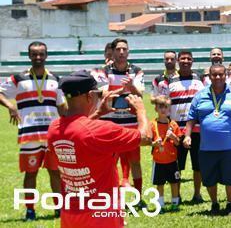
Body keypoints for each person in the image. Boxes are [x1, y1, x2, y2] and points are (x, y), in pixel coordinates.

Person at [47, 70, 152, 228]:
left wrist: (97, 113)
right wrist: (141, 110)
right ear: (89, 96)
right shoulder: (101, 130)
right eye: (97, 94)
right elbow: (145, 137)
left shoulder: (54, 128)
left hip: (70, 213)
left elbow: (77, 131)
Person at [0, 41, 66, 221]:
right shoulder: (18, 79)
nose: (38, 57)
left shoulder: (55, 79)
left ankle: (59, 209)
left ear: (46, 55)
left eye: (41, 54)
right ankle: (30, 211)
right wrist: (10, 106)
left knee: (56, 172)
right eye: (34, 54)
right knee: (31, 173)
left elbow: (61, 107)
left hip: (52, 134)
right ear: (29, 56)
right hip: (29, 134)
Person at [184, 64, 231, 216]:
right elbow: (191, 118)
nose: (218, 77)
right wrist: (187, 135)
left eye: (221, 75)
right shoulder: (200, 96)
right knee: (209, 179)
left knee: (230, 178)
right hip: (207, 148)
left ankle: (230, 204)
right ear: (209, 77)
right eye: (214, 75)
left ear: (225, 75)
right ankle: (215, 203)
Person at [92, 38, 145, 197]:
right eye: (118, 49)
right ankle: (109, 197)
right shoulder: (101, 71)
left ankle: (139, 196)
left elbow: (140, 94)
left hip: (130, 122)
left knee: (135, 161)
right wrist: (124, 89)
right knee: (109, 162)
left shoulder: (137, 70)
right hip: (109, 123)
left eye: (124, 49)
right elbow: (103, 93)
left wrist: (132, 87)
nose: (121, 52)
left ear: (128, 51)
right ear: (113, 51)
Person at [161, 50, 206, 203]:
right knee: (177, 164)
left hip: (197, 129)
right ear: (178, 61)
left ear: (192, 60)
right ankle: (177, 194)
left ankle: (197, 194)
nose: (185, 61)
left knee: (198, 164)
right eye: (183, 58)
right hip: (177, 130)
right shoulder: (170, 80)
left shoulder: (199, 79)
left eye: (188, 58)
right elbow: (166, 105)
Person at [150, 95, 183, 211]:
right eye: (160, 107)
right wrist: (154, 143)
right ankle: (161, 205)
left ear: (169, 109)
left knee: (174, 183)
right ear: (156, 109)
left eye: (166, 107)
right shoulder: (152, 124)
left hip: (172, 160)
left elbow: (178, 143)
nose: (163, 110)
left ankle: (175, 203)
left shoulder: (173, 125)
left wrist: (173, 137)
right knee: (160, 184)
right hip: (158, 161)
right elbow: (148, 141)